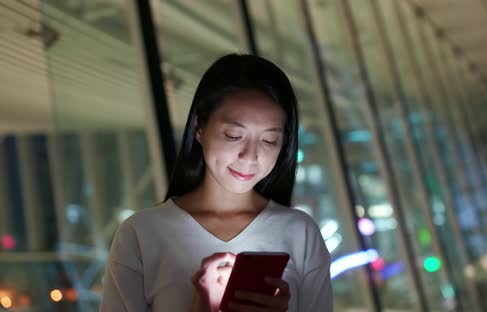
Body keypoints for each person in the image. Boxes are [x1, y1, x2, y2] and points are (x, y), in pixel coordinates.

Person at [100, 54, 333, 312]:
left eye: (269, 141)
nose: (250, 156)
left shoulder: (300, 233)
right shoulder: (141, 234)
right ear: (199, 127)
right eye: (234, 135)